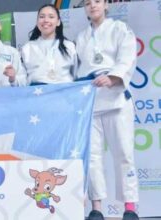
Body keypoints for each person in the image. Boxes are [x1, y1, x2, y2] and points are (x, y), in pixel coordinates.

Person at [75, 1, 139, 220]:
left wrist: (113, 76)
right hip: (91, 99)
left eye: (97, 2)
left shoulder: (121, 29)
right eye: (88, 3)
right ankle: (97, 208)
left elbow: (128, 56)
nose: (93, 6)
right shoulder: (82, 37)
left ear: (106, 6)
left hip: (116, 97)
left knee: (124, 153)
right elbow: (76, 69)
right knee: (92, 157)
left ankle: (130, 208)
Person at [21, 4, 77, 85]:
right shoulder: (27, 48)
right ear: (37, 22)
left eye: (51, 17)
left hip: (65, 94)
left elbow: (76, 75)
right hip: (37, 95)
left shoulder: (69, 46)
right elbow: (22, 80)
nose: (46, 20)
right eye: (42, 17)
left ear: (58, 22)